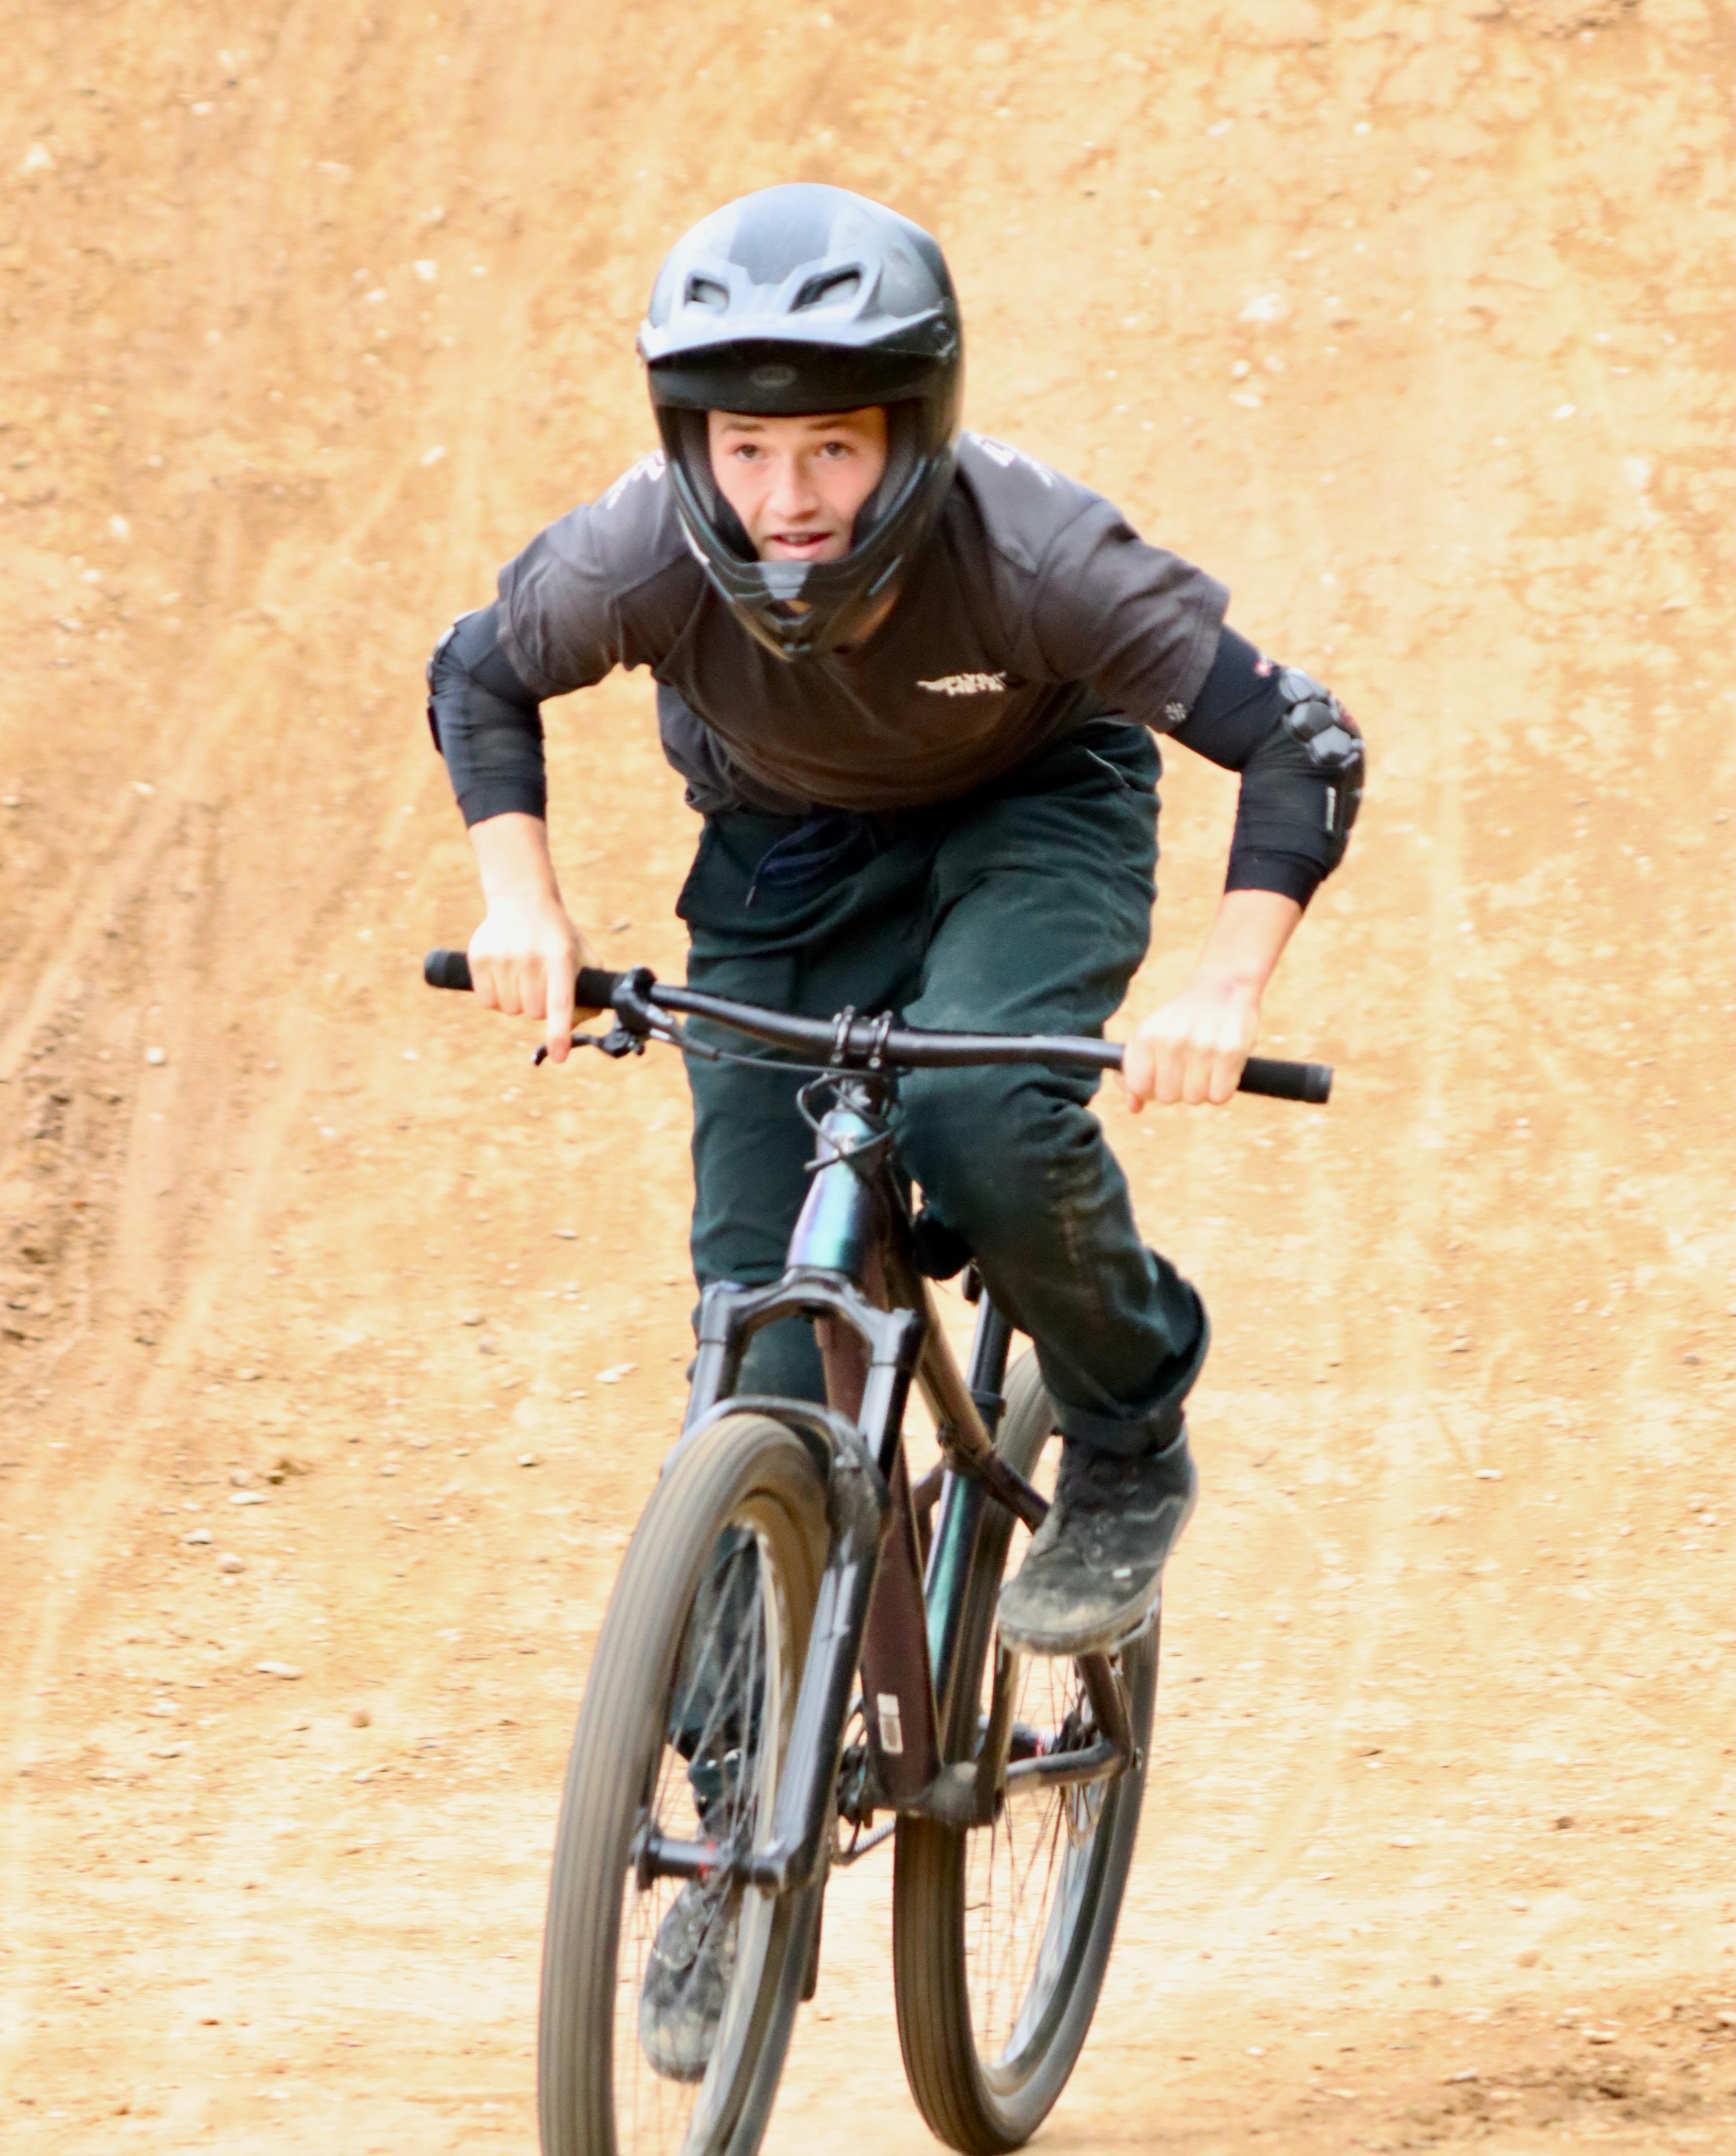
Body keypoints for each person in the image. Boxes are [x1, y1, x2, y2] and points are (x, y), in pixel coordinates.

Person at [428, 177, 1359, 1694]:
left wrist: (1222, 988)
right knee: (757, 1348)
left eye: (834, 449)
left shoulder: (1040, 558)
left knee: (979, 1110)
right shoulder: (641, 553)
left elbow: (1303, 740)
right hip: (784, 855)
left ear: (911, 436)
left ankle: (1125, 1425)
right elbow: (477, 672)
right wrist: (520, 897)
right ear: (694, 446)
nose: (786, 495)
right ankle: (721, 1840)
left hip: (1034, 809)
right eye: (746, 450)